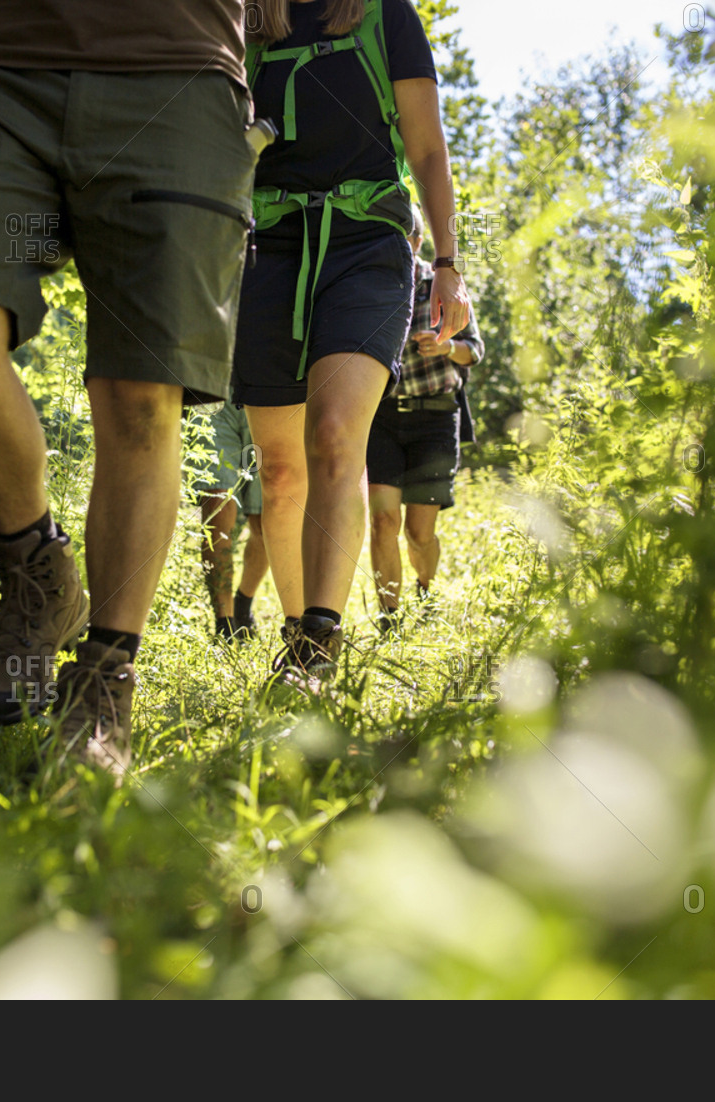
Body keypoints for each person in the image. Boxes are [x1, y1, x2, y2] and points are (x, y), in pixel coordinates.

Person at [0, 1, 256, 774]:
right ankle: (38, 567)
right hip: (12, 66)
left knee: (141, 398)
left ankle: (105, 678)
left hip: (178, 80)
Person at [233, 0, 472, 683]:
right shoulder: (244, 21)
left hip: (368, 243)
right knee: (279, 474)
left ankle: (317, 646)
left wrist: (449, 265)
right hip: (269, 250)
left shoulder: (384, 15)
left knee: (336, 434)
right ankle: (293, 632)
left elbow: (427, 148)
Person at [368, 206, 484, 634]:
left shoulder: (443, 286)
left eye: (406, 238)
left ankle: (425, 588)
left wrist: (445, 348)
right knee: (383, 522)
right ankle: (389, 623)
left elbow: (474, 350)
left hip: (435, 420)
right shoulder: (370, 287)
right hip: (382, 417)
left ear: (417, 243)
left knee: (419, 532)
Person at [188, 403, 268, 639]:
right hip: (215, 397)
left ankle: (243, 604)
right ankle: (225, 624)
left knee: (265, 524)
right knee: (217, 506)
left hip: (267, 395)